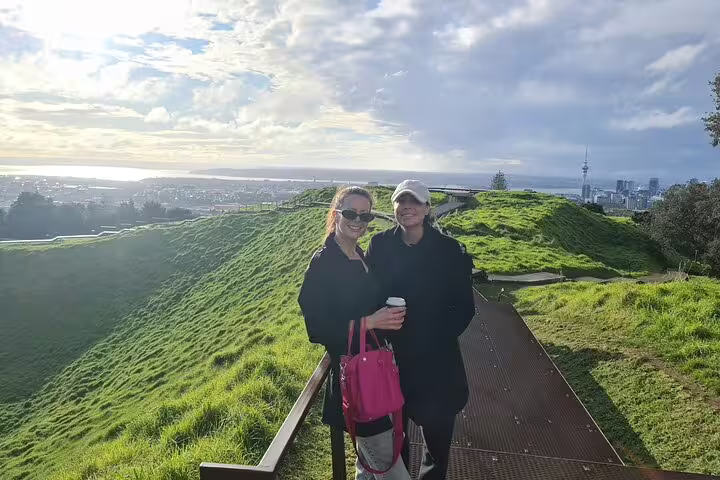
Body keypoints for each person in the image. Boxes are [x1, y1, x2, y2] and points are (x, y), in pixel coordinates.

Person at [298, 186, 411, 480]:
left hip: (375, 372)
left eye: (365, 215)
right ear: (336, 215)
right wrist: (370, 322)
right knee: (391, 470)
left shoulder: (358, 253)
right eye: (350, 213)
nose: (358, 221)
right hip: (358, 382)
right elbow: (317, 327)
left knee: (368, 467)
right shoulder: (324, 262)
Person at [366, 180, 475, 480]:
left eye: (414, 202)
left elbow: (464, 307)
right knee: (394, 437)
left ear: (427, 208)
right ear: (394, 208)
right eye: (401, 202)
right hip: (392, 356)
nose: (407, 207)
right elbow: (370, 295)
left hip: (437, 359)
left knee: (437, 440)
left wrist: (434, 338)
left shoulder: (449, 250)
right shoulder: (380, 245)